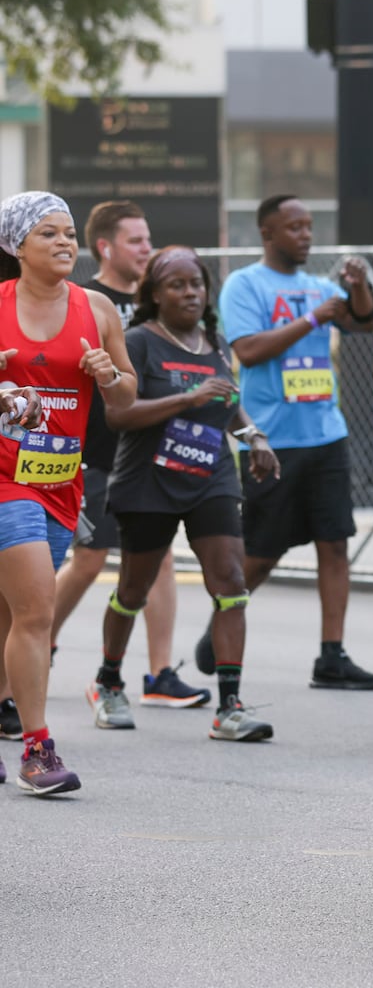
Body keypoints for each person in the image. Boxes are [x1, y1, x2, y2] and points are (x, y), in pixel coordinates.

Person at [87, 246, 280, 741]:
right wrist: (185, 399)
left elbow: (227, 400)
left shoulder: (213, 340)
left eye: (196, 283)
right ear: (155, 293)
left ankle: (229, 707)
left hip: (210, 474)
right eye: (177, 284)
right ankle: (109, 682)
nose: (190, 292)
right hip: (147, 479)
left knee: (231, 581)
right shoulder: (139, 342)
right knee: (134, 587)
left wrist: (254, 437)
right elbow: (118, 416)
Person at [192, 195, 373, 691]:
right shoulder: (245, 284)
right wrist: (315, 319)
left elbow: (363, 322)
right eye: (294, 227)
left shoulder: (318, 285)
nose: (305, 234)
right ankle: (220, 628)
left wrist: (359, 288)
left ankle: (331, 655)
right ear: (267, 234)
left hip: (326, 433)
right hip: (271, 441)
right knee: (261, 550)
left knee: (335, 543)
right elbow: (249, 351)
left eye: (308, 226)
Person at [0, 190, 137, 794]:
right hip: (5, 481)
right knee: (36, 611)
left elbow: (127, 397)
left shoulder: (98, 309)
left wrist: (111, 378)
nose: (63, 243)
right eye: (47, 234)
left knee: (8, 614)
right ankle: (37, 749)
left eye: (69, 234)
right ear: (18, 247)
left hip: (60, 480)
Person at [59, 203, 200, 723]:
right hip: (94, 455)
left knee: (158, 557)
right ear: (105, 247)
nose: (147, 247)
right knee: (91, 560)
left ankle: (159, 674)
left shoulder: (153, 306)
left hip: (147, 456)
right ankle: (33, 646)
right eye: (136, 240)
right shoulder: (85, 304)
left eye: (148, 239)